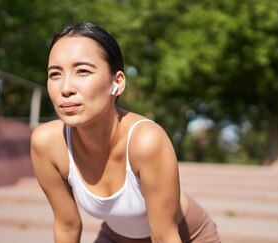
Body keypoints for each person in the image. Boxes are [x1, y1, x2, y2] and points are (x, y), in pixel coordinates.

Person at [30, 22, 221, 243]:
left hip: (186, 237)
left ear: (117, 82)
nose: (65, 88)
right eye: (55, 74)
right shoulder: (47, 144)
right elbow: (67, 226)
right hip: (116, 238)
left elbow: (164, 236)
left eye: (83, 71)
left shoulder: (146, 141)